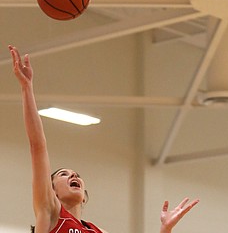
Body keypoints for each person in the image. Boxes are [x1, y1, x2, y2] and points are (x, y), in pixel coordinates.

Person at [8, 45, 199, 233]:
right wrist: (27, 87)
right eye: (63, 174)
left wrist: (165, 230)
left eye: (76, 175)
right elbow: (37, 146)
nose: (74, 176)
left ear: (84, 198)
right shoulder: (50, 213)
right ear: (52, 192)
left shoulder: (98, 231)